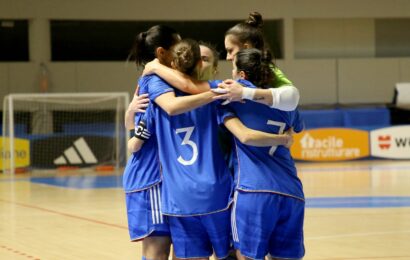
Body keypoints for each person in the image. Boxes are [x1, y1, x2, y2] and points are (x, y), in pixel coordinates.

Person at [132, 39, 292, 260]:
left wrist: (151, 71)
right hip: (216, 195)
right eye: (202, 58)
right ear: (198, 64)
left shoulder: (158, 95)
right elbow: (246, 132)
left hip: (181, 198)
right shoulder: (222, 95)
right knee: (231, 254)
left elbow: (134, 140)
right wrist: (283, 139)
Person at [123, 25, 223, 260]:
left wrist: (129, 116)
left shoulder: (164, 78)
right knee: (158, 250)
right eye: (177, 48)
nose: (184, 54)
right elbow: (168, 107)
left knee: (184, 249)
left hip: (175, 178)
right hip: (153, 176)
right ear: (161, 53)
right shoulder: (156, 78)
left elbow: (133, 123)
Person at [220, 48, 305, 260]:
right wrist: (284, 138)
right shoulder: (285, 101)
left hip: (253, 189)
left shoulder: (232, 95)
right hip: (291, 191)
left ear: (242, 75)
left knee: (247, 256)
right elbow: (298, 126)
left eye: (233, 68)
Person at [213, 11, 299, 111]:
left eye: (230, 50)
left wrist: (243, 92)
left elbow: (292, 98)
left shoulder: (267, 69)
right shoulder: (237, 75)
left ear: (246, 48)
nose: (228, 57)